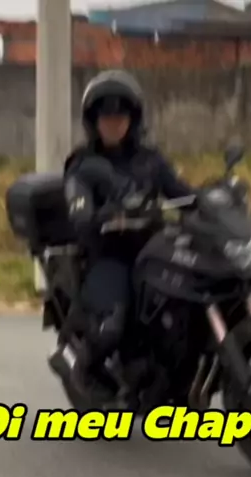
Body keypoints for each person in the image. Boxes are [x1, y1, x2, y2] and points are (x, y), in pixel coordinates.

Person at [61, 69, 196, 402]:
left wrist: (214, 200)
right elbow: (78, 208)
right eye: (105, 117)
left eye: (120, 116)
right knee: (112, 325)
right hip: (109, 254)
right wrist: (101, 215)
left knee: (192, 299)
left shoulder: (150, 160)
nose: (113, 123)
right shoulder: (83, 165)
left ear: (133, 119)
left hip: (153, 250)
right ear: (93, 121)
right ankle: (83, 368)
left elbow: (181, 193)